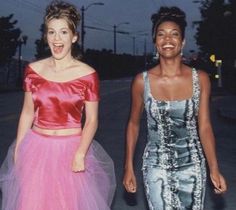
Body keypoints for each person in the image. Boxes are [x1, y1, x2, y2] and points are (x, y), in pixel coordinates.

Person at [0, 1, 116, 209]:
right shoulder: (33, 70)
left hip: (70, 150)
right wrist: (19, 148)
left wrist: (80, 153)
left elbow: (91, 120)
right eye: (51, 32)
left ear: (74, 37)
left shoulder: (87, 75)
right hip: (35, 149)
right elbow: (27, 113)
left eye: (63, 32)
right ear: (46, 36)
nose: (57, 39)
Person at [123, 6, 227, 210]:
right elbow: (133, 125)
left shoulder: (201, 79)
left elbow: (205, 127)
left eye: (174, 34)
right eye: (161, 34)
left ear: (183, 41)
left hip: (192, 166)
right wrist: (128, 167)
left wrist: (214, 168)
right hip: (155, 165)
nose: (167, 39)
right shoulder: (141, 82)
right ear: (155, 42)